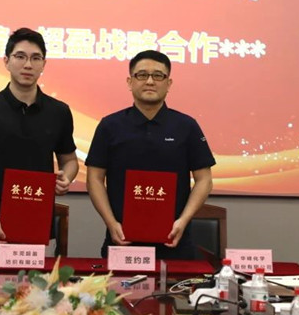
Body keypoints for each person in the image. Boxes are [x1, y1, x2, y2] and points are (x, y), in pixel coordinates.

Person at [0, 27, 79, 256]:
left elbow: (70, 160)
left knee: (39, 282)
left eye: (36, 58)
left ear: (44, 64)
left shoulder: (59, 112)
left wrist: (67, 178)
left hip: (38, 228)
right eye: (20, 56)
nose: (28, 65)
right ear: (6, 61)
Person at [86, 50, 214, 259]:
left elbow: (204, 179)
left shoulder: (186, 126)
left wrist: (183, 220)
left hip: (175, 244)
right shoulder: (110, 126)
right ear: (130, 82)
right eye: (142, 75)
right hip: (122, 241)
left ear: (169, 83)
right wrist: (110, 222)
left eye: (158, 75)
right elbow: (95, 178)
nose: (150, 81)